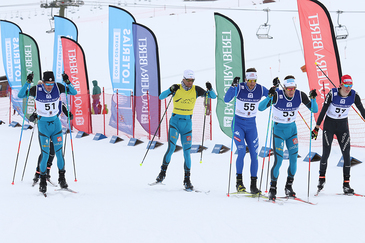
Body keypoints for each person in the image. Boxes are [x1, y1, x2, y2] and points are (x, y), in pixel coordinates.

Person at [155, 70, 217, 190]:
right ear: (183, 79)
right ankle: (162, 173)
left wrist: (210, 89)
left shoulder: (196, 90)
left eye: (192, 80)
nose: (190, 82)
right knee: (171, 148)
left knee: (187, 152)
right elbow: (161, 97)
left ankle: (187, 180)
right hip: (175, 122)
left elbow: (213, 97)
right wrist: (170, 90)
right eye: (188, 80)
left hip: (187, 124)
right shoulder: (177, 88)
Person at [258, 75, 318, 201]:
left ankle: (288, 187)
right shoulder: (277, 95)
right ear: (284, 88)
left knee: (293, 160)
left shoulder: (300, 95)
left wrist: (313, 99)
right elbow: (260, 108)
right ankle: (272, 188)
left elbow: (314, 109)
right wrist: (269, 96)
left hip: (292, 132)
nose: (291, 91)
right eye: (289, 88)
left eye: (293, 88)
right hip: (279, 132)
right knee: (278, 161)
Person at [18, 71, 77, 193]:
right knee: (45, 154)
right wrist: (27, 82)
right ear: (43, 82)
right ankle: (42, 180)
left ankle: (62, 179)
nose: (49, 86)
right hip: (43, 126)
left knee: (59, 153)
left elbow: (74, 92)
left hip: (56, 125)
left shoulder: (58, 87)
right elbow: (20, 95)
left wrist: (67, 81)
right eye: (47, 83)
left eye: (51, 83)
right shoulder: (36, 89)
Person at [311, 75, 365, 194]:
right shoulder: (332, 94)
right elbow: (324, 109)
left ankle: (346, 184)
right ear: (341, 84)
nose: (348, 88)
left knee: (346, 154)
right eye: (346, 85)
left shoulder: (354, 95)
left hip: (343, 127)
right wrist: (316, 127)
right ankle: (321, 179)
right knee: (326, 153)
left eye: (350, 85)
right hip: (329, 126)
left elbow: (362, 109)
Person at [224, 68, 269, 194]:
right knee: (242, 151)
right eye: (250, 80)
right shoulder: (240, 87)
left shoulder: (260, 89)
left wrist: (274, 90)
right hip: (238, 124)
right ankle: (239, 183)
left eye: (254, 80)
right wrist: (233, 87)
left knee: (255, 155)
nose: (252, 83)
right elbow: (227, 99)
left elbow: (272, 95)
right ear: (246, 79)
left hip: (251, 125)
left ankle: (253, 185)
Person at [30, 102, 73, 185]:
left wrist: (69, 115)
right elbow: (36, 112)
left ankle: (47, 173)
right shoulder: (43, 102)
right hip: (44, 129)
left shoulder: (60, 103)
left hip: (55, 129)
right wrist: (33, 116)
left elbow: (66, 111)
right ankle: (38, 173)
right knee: (45, 153)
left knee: (53, 152)